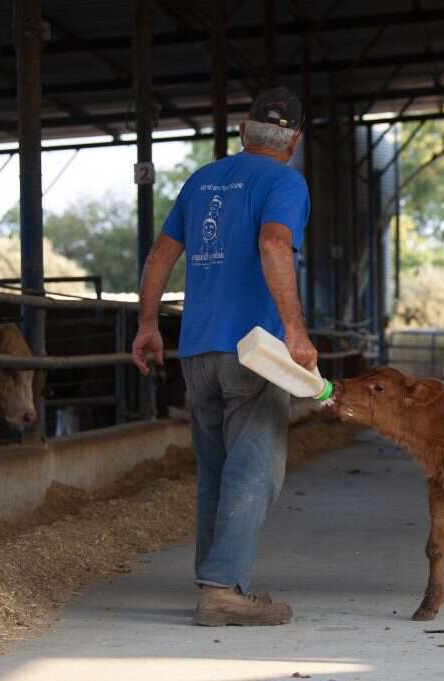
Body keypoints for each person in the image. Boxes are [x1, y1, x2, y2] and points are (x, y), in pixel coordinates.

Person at [132, 87, 317, 627]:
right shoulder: (285, 181)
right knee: (255, 469)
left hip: (197, 349)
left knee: (216, 468)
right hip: (253, 351)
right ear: (295, 141)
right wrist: (295, 332)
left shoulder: (202, 180)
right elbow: (274, 244)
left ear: (243, 132)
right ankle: (221, 590)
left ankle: (214, 577)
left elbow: (160, 254)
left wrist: (147, 325)